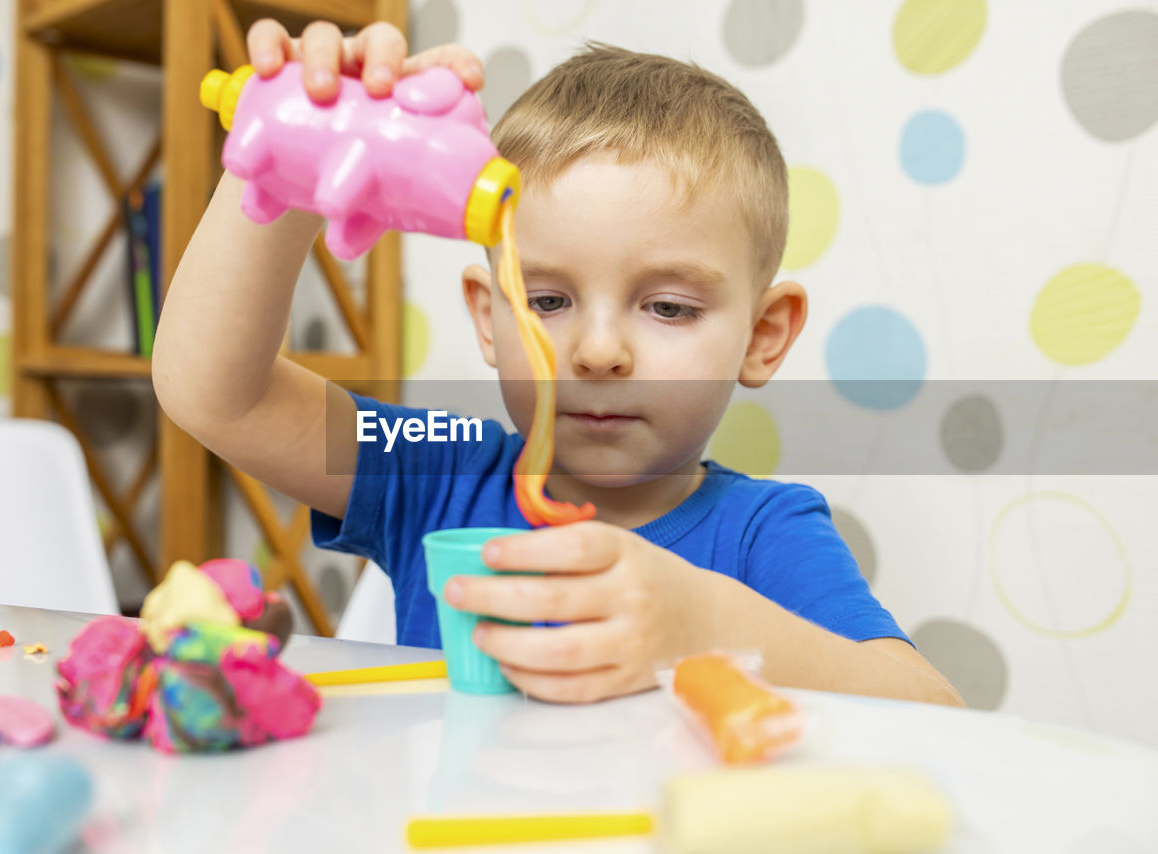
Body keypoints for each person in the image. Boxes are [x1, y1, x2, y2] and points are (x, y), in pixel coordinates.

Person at [153, 19, 964, 707]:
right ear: (487, 315)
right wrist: (295, 160)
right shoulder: (438, 472)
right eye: (546, 302)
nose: (599, 352)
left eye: (669, 307)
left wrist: (708, 626)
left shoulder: (762, 535)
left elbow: (937, 711)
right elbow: (217, 393)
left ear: (764, 335)